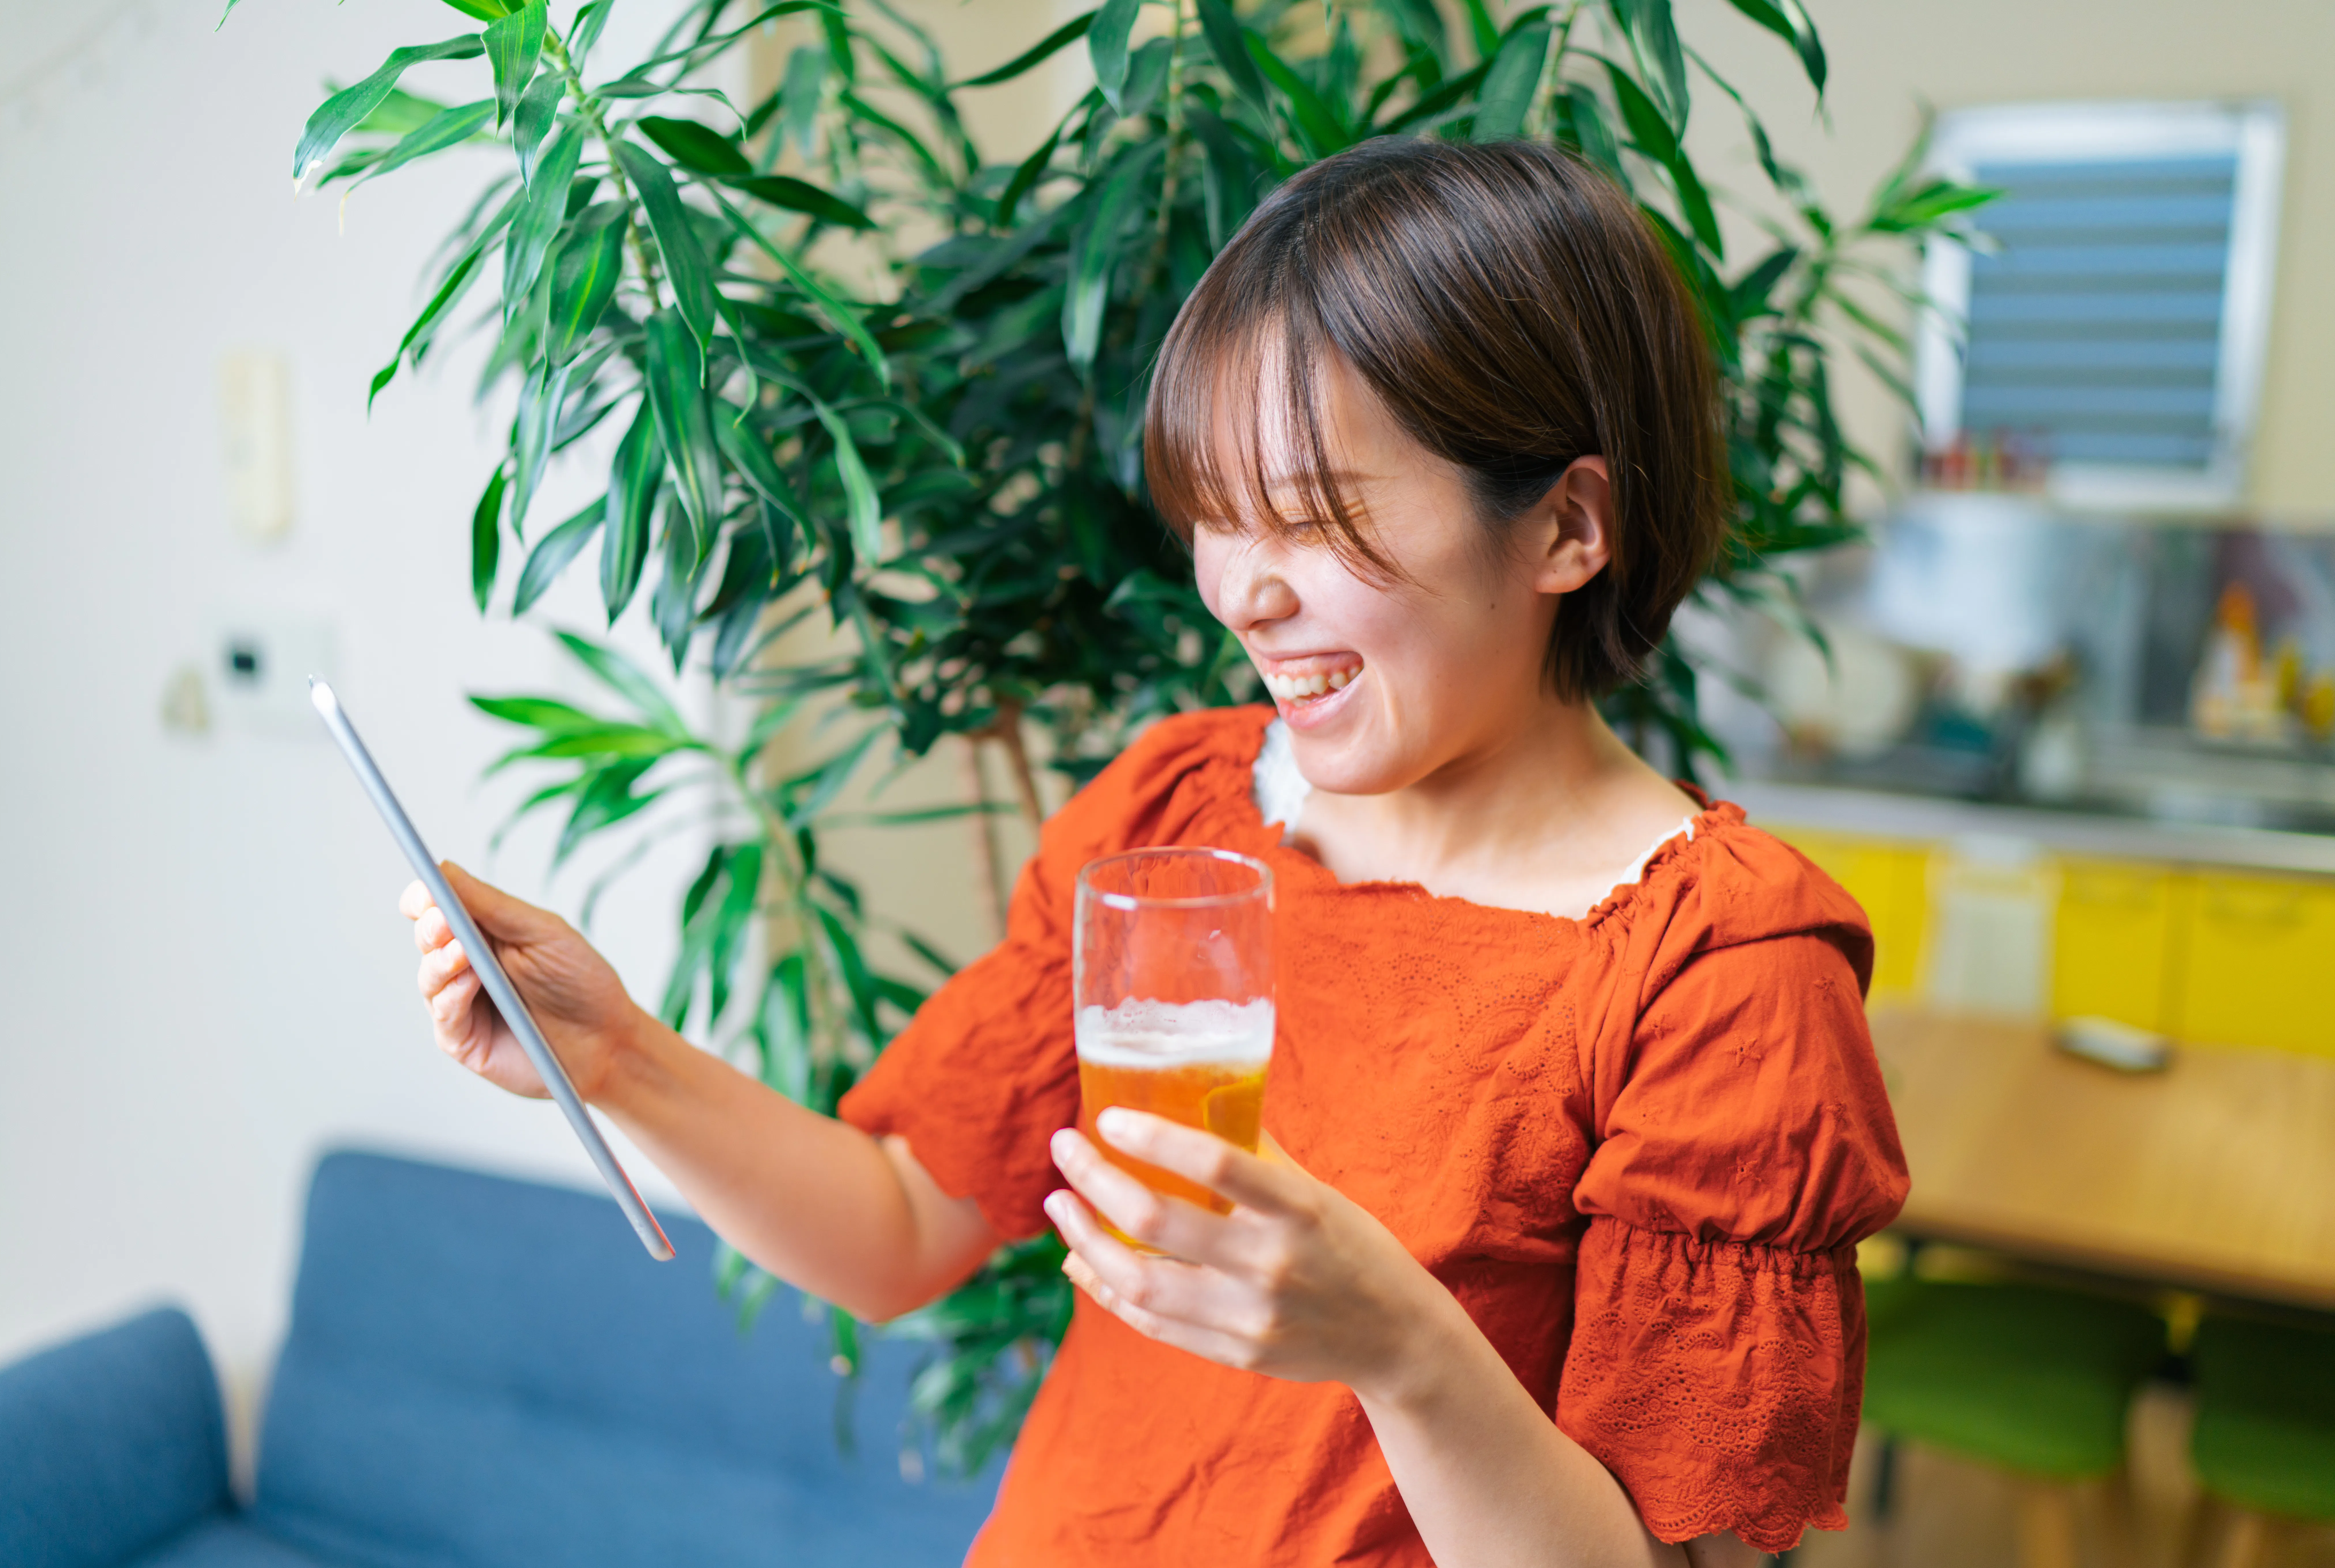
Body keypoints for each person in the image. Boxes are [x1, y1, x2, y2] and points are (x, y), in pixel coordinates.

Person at [402, 138, 1908, 1568]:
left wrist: (1401, 1345)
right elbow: (900, 1225)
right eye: (1216, 517)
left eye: (1314, 519)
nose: (1242, 594)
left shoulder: (1716, 974)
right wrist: (613, 1060)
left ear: (1568, 529)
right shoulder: (1175, 814)